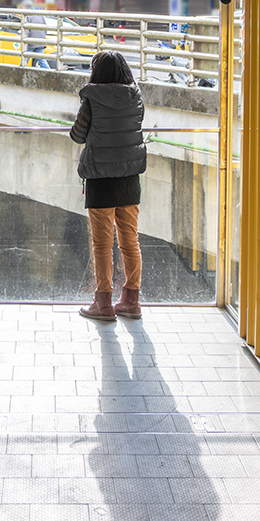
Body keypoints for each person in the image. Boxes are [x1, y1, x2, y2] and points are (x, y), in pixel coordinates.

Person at [70, 51, 147, 321]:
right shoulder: (136, 97)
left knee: (102, 244)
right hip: (129, 177)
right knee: (130, 241)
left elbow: (77, 134)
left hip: (100, 177)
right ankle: (131, 301)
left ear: (96, 72)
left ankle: (103, 303)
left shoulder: (92, 98)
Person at [19, 0, 51, 69]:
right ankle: (50, 74)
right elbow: (45, 28)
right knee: (42, 61)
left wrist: (25, 43)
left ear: (25, 6)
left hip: (31, 43)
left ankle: (21, 75)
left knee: (24, 60)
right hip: (40, 42)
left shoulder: (27, 15)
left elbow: (26, 30)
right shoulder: (40, 15)